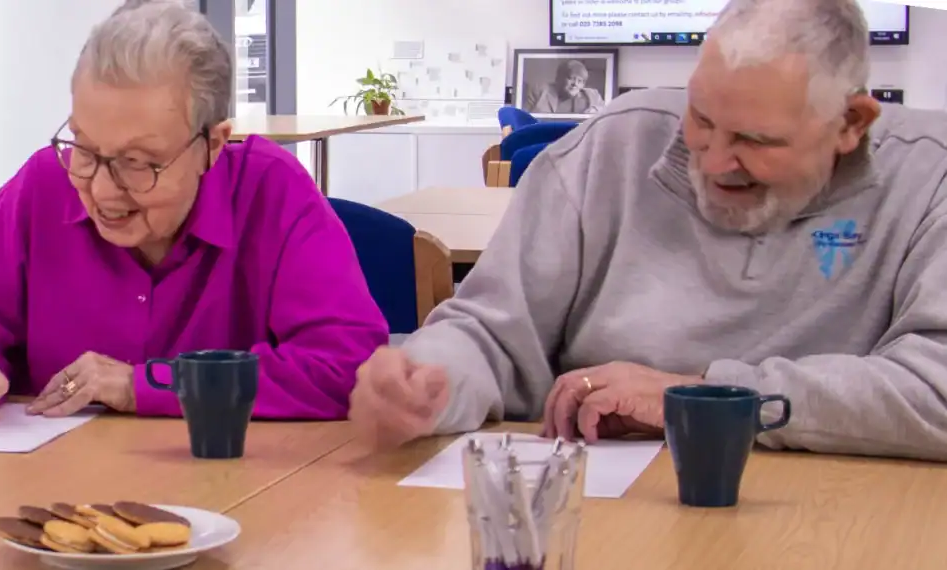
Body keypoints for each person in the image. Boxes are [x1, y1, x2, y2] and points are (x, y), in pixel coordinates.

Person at [350, 0, 947, 461]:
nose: (711, 163)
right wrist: (430, 379)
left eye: (755, 141)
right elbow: (489, 332)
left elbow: (936, 392)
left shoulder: (930, 175)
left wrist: (704, 398)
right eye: (702, 119)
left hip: (833, 519)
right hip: (592, 507)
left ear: (850, 123)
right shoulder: (609, 148)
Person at [0, 0, 388, 423]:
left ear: (212, 146)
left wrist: (151, 384)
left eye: (137, 162)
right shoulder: (44, 184)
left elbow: (347, 365)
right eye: (84, 148)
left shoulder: (272, 191)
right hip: (49, 491)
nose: (102, 190)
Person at [524, 59, 604, 115]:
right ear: (559, 78)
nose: (575, 84)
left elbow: (606, 111)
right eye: (571, 78)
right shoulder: (539, 91)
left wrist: (595, 110)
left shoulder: (592, 95)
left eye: (579, 81)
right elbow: (522, 117)